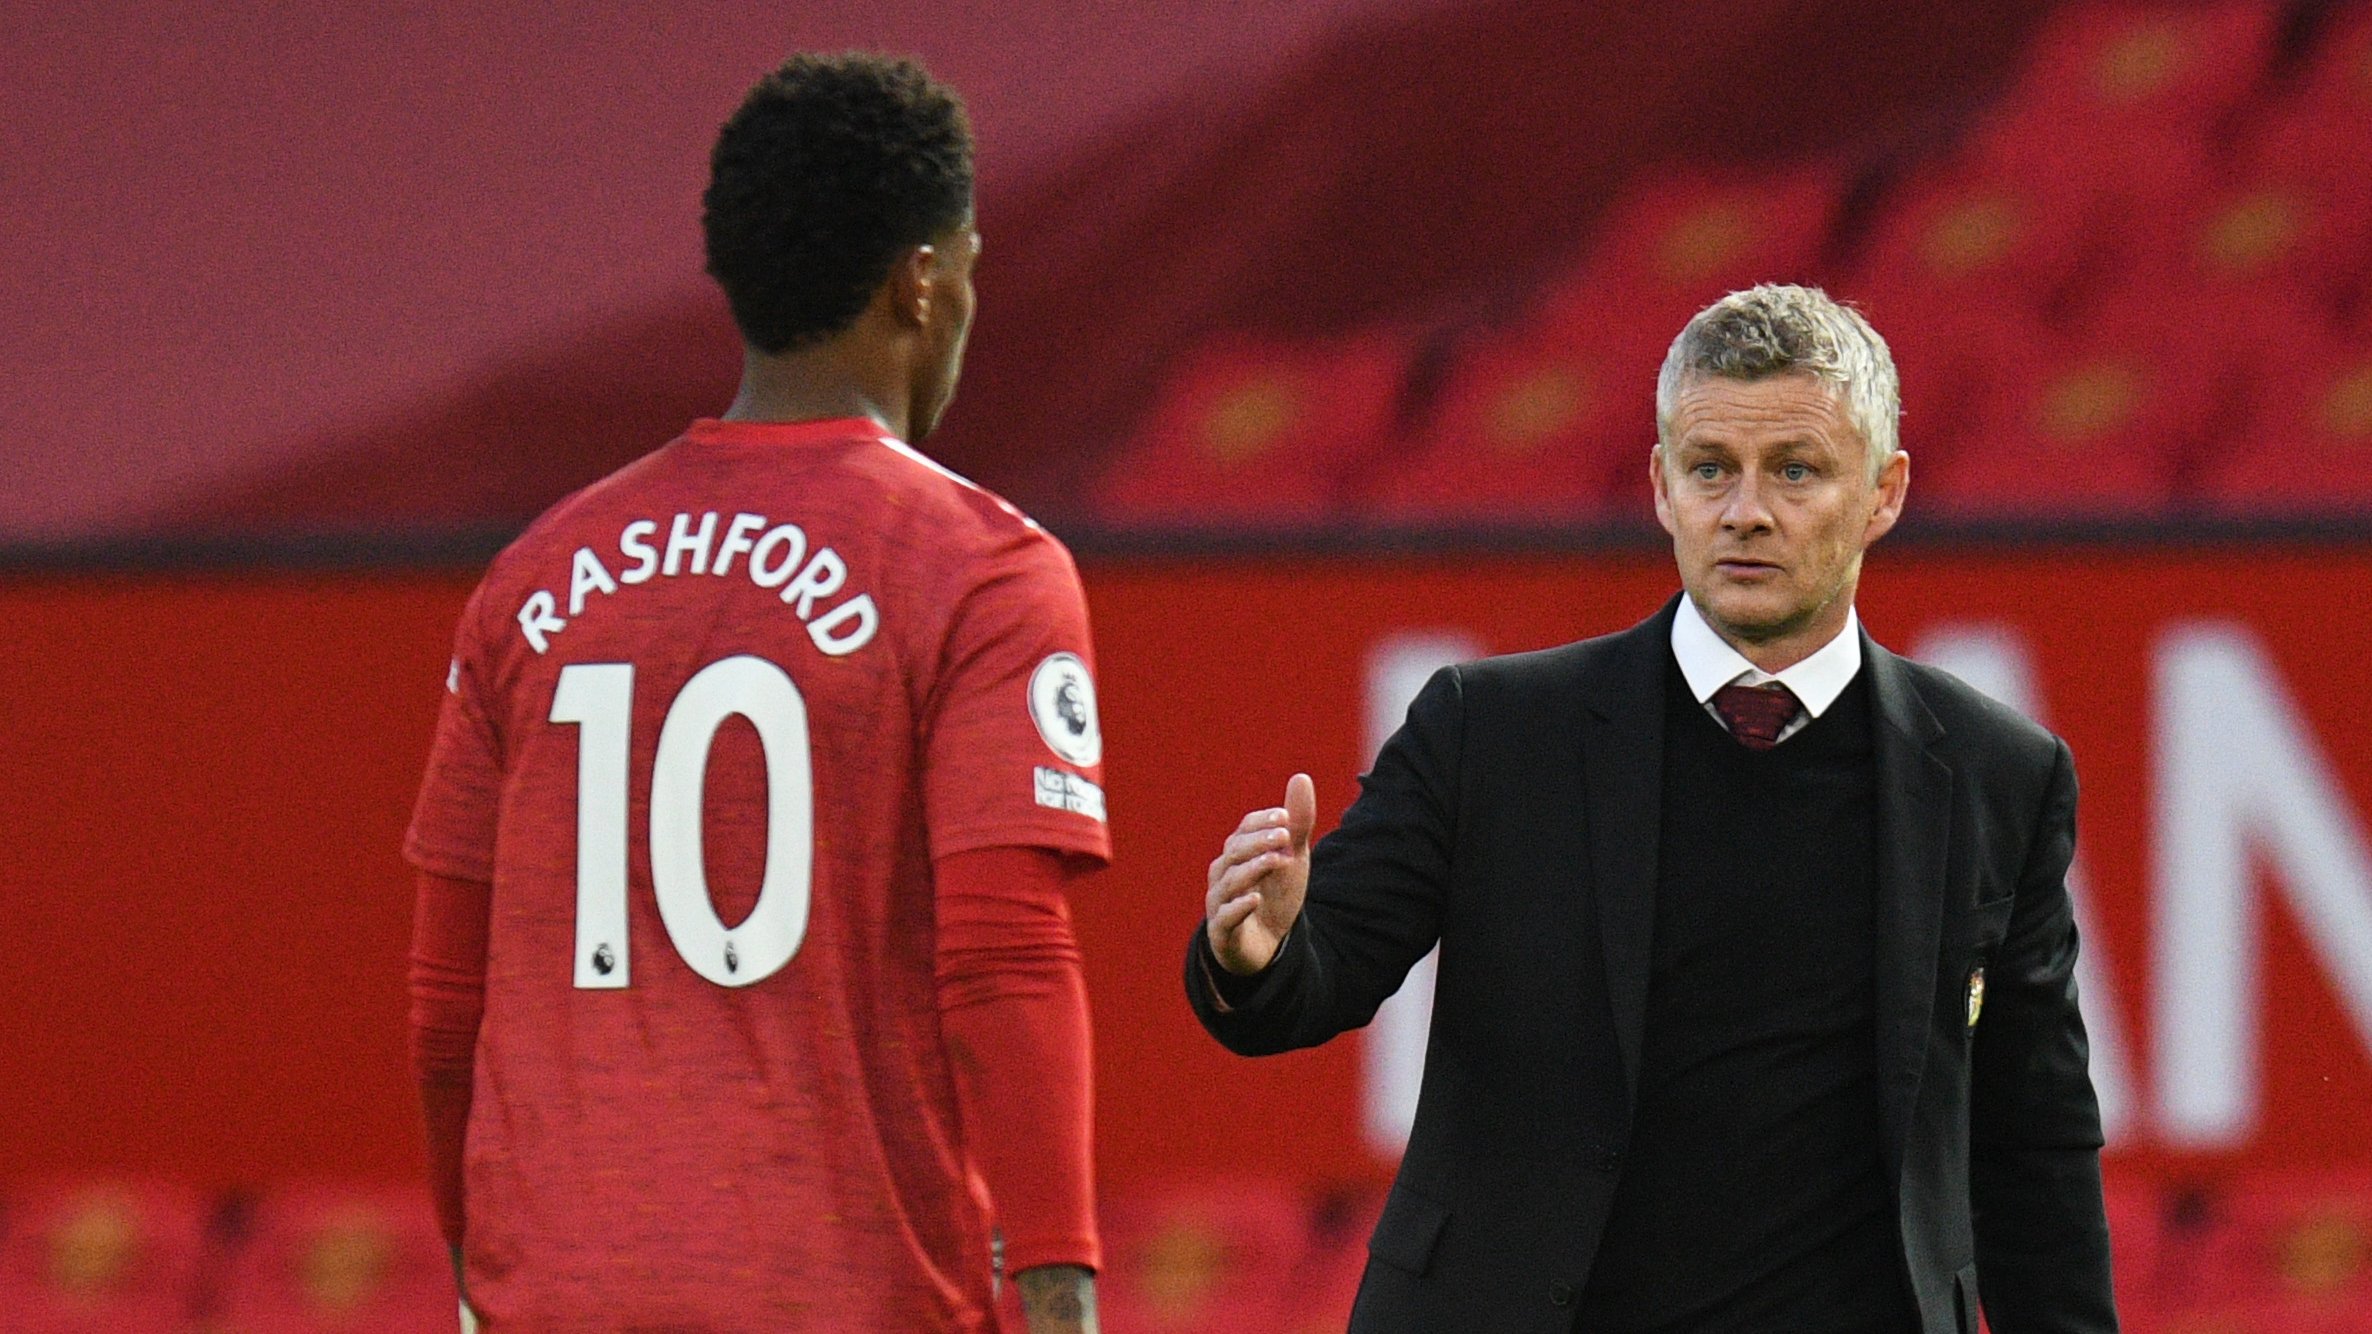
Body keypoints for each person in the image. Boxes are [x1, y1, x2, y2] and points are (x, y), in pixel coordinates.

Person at [1189, 285, 2115, 1332]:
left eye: (1795, 471)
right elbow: (1317, 974)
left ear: (1883, 492)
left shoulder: (1999, 771)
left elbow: (2031, 1134)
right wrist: (1255, 951)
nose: (1744, 510)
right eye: (1708, 467)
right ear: (1661, 486)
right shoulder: (1488, 731)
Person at [406, 54, 1109, 1332]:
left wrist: (475, 1259)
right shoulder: (982, 569)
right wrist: (1059, 1286)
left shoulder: (531, 578)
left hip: (558, 1295)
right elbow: (1005, 956)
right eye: (970, 264)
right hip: (847, 1294)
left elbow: (447, 993)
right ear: (922, 277)